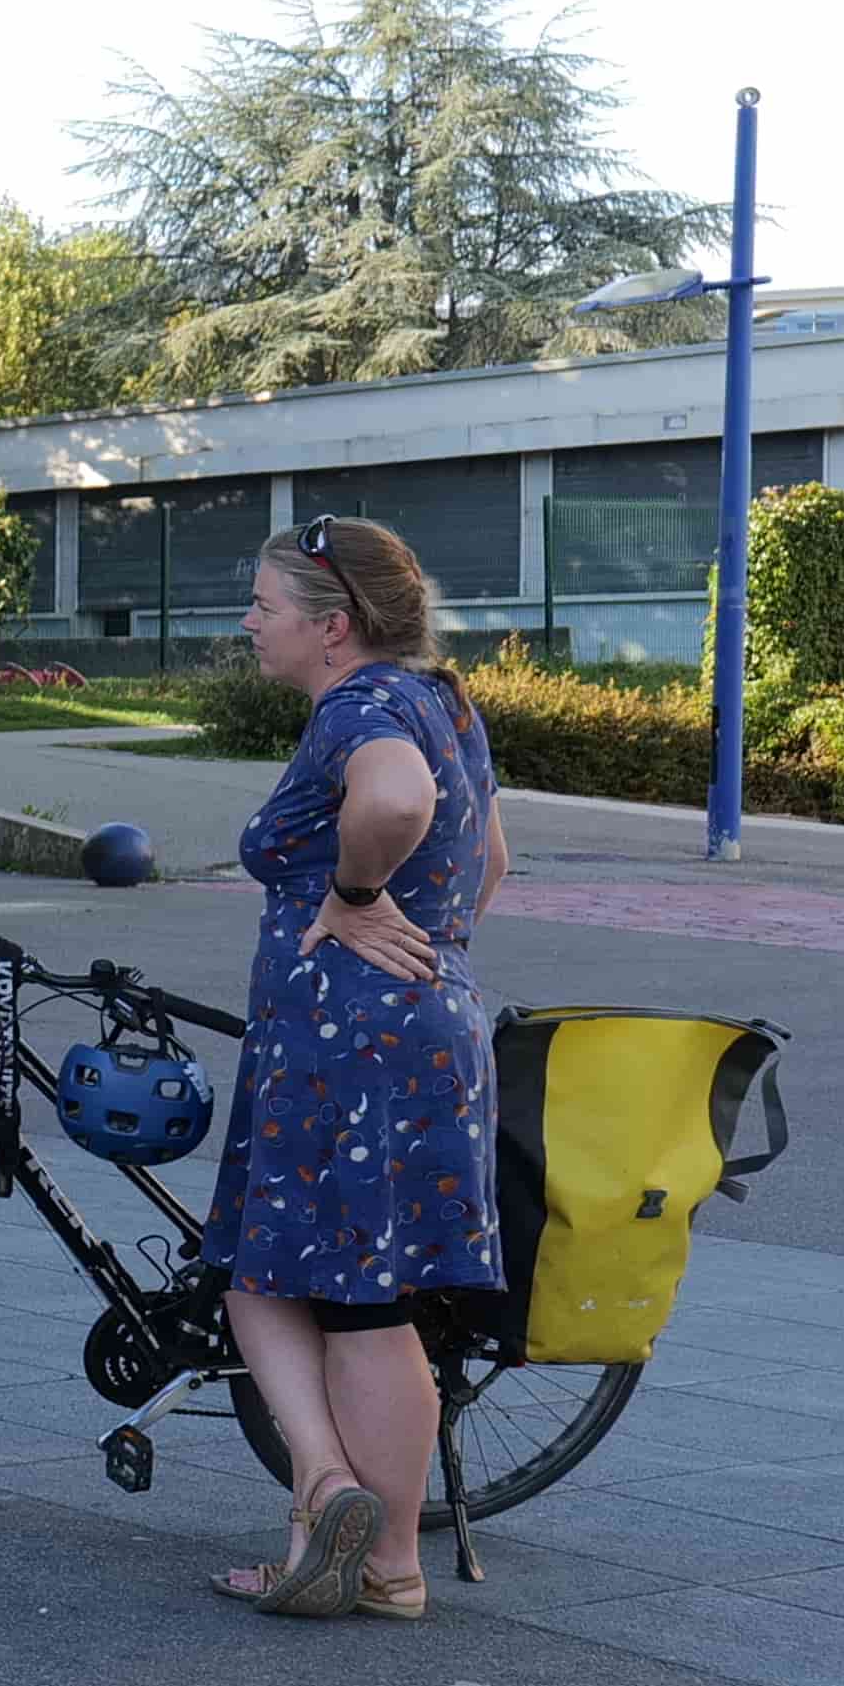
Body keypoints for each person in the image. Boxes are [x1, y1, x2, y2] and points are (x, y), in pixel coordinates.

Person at [203, 517, 508, 1623]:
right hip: (428, 1032)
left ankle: (329, 1490)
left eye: (265, 607)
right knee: (371, 1300)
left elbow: (393, 805)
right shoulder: (446, 702)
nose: (249, 623)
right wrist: (430, 952)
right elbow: (494, 861)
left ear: (333, 628)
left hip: (343, 1046)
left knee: (262, 1275)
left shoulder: (363, 709)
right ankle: (385, 1565)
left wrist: (359, 903)